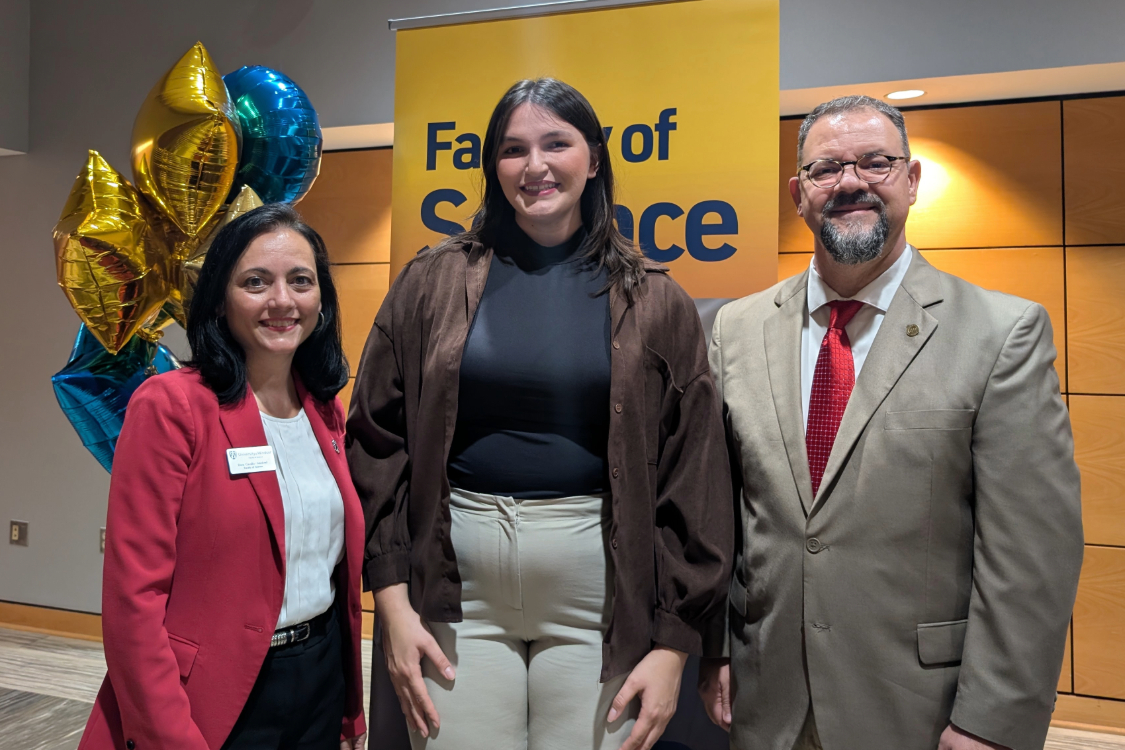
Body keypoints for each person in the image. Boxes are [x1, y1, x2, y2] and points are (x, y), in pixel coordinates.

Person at [346, 77, 732, 750]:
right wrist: (393, 603)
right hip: (455, 589)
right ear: (492, 167)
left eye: (556, 143)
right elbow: (377, 440)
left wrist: (673, 647)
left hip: (600, 593)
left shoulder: (655, 301)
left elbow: (693, 476)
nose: (535, 166)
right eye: (513, 149)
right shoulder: (429, 281)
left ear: (594, 157)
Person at [700, 95, 1083, 750]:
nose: (849, 182)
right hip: (766, 701)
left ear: (911, 181)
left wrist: (990, 720)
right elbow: (719, 513)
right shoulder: (733, 328)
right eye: (826, 170)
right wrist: (716, 649)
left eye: (874, 163)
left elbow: (1030, 555)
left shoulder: (1000, 333)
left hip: (921, 711)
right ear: (798, 193)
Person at [78, 204, 367, 750]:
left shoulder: (323, 409)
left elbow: (332, 570)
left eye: (300, 281)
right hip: (213, 694)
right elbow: (133, 598)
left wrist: (349, 709)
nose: (282, 300)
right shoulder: (172, 406)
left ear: (321, 300)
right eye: (256, 282)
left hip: (319, 676)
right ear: (219, 299)